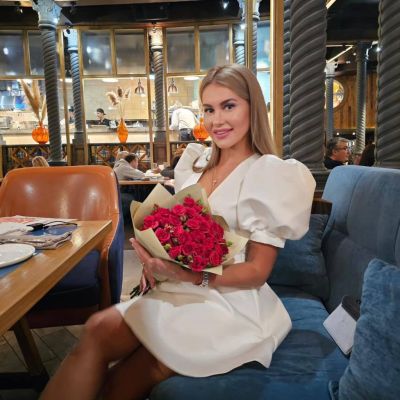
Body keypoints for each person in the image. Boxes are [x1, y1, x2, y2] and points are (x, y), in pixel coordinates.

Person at [40, 64, 315, 400]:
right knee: (97, 328)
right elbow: (176, 239)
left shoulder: (269, 173)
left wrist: (190, 276)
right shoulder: (195, 164)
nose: (216, 120)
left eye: (229, 106)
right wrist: (155, 262)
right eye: (209, 109)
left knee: (126, 378)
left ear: (252, 108)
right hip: (175, 289)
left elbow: (257, 272)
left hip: (228, 302)